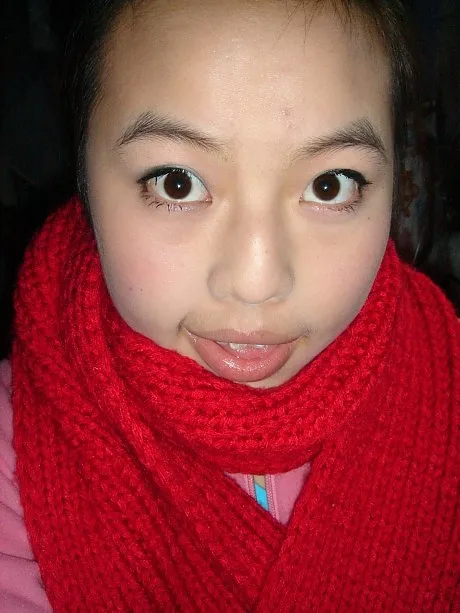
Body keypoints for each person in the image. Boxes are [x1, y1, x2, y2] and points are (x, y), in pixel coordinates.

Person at [0, 0, 458, 610]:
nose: (256, 280)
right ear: (84, 177)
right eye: (177, 182)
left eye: (330, 185)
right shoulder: (12, 460)